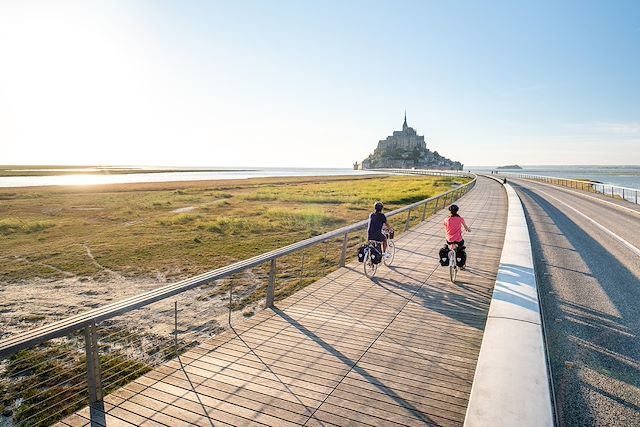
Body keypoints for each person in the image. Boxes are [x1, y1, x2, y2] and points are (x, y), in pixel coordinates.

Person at [444, 204, 471, 268]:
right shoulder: (460, 219)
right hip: (458, 239)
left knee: (451, 244)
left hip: (449, 239)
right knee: (461, 248)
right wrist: (468, 230)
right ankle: (462, 265)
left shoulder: (446, 219)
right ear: (457, 211)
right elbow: (466, 227)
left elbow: (446, 229)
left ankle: (450, 254)